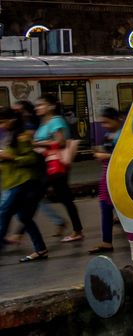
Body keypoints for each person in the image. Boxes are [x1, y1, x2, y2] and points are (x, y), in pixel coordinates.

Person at [32, 95, 83, 243]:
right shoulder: (44, 122)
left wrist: (37, 144)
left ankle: (18, 233)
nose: (37, 108)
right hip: (49, 165)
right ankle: (77, 230)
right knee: (65, 198)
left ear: (51, 107)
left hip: (55, 164)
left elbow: (60, 142)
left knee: (34, 196)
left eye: (41, 105)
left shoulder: (55, 121)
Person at [0, 108, 47, 261]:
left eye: (3, 122)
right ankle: (41, 249)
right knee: (25, 217)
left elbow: (31, 159)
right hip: (13, 181)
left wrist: (10, 157)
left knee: (4, 213)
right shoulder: (11, 135)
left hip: (23, 181)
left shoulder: (22, 136)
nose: (1, 126)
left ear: (12, 120)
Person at [93, 107, 121, 252]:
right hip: (107, 173)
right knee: (106, 206)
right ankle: (106, 241)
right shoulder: (111, 134)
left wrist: (105, 156)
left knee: (106, 206)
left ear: (115, 119)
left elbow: (122, 154)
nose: (104, 126)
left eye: (106, 122)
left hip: (116, 173)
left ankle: (107, 241)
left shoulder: (121, 134)